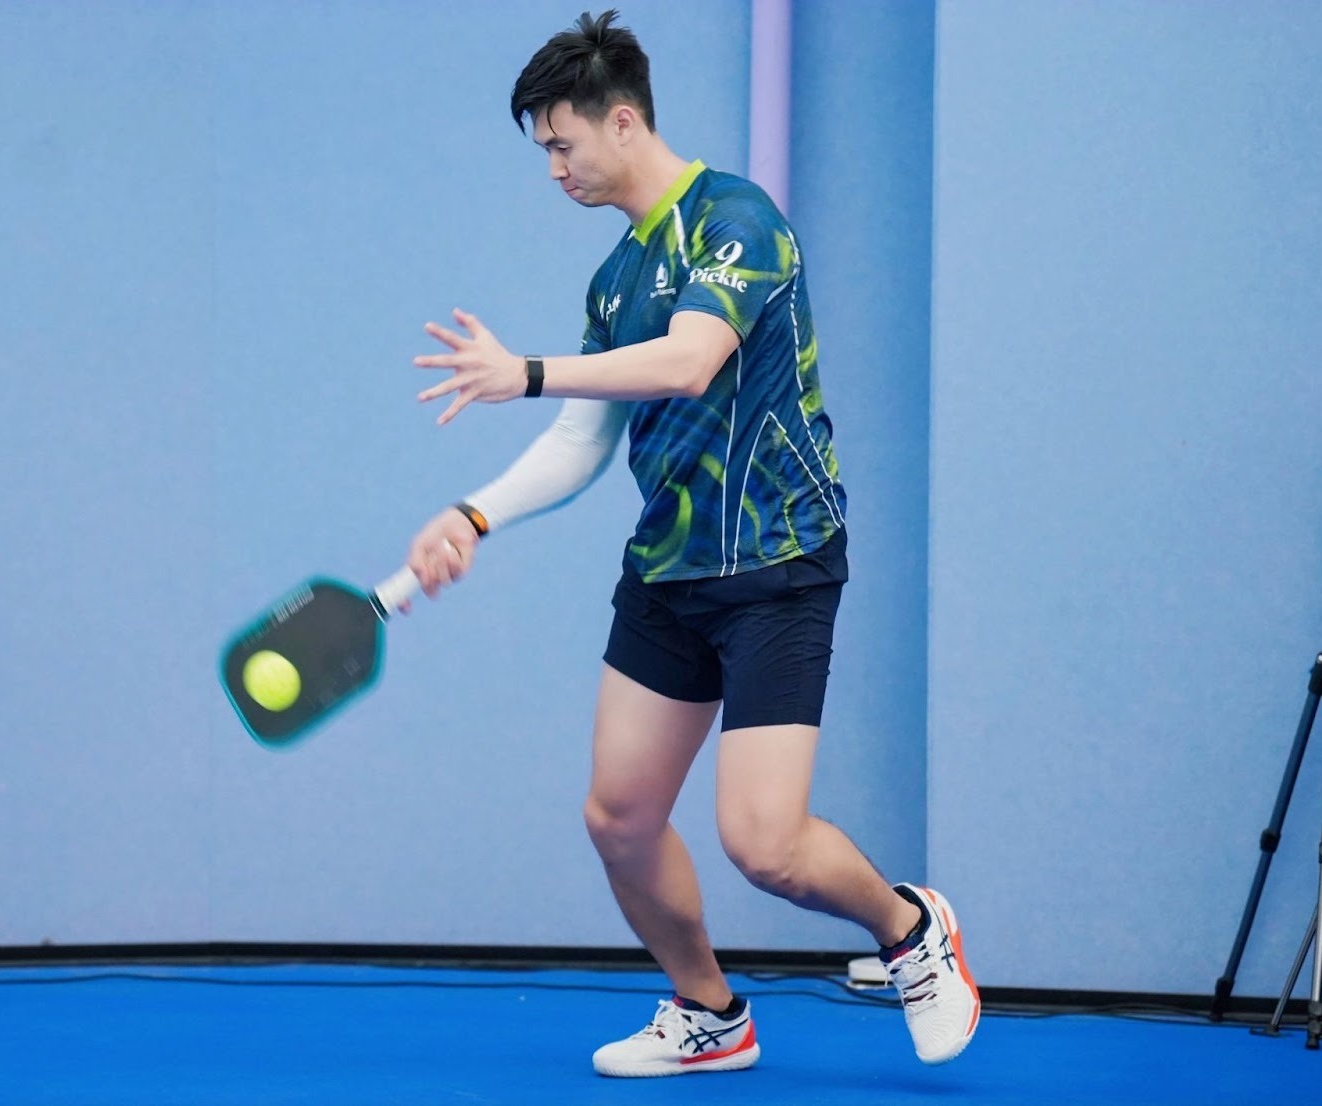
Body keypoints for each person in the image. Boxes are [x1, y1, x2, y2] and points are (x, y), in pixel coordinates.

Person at [405, 9, 978, 1078]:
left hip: (776, 562)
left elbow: (688, 360)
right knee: (619, 818)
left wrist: (523, 371)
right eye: (544, 152)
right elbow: (583, 441)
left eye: (563, 144)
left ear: (623, 122)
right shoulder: (615, 279)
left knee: (765, 844)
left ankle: (909, 929)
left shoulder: (736, 219)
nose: (555, 170)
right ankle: (710, 1013)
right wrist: (475, 514)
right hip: (668, 572)